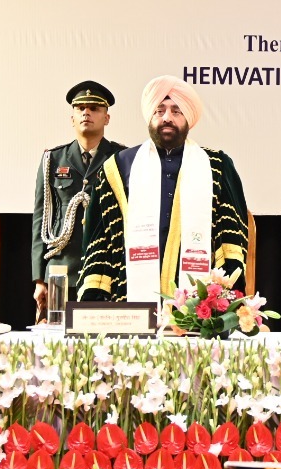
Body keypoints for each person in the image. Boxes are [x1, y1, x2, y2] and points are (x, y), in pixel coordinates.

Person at [77, 76, 252, 302]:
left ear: (188, 118)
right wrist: (95, 300)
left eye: (176, 111)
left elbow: (231, 239)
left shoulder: (216, 165)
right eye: (159, 111)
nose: (167, 117)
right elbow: (99, 241)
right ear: (150, 116)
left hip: (200, 305)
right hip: (129, 298)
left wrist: (225, 298)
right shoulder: (118, 167)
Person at [31, 81, 123, 319]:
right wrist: (39, 279)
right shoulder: (52, 159)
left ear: (106, 118)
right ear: (72, 117)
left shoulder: (121, 158)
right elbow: (41, 219)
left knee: (104, 337)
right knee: (55, 336)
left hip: (105, 269)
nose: (86, 113)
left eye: (94, 108)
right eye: (80, 108)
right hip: (61, 269)